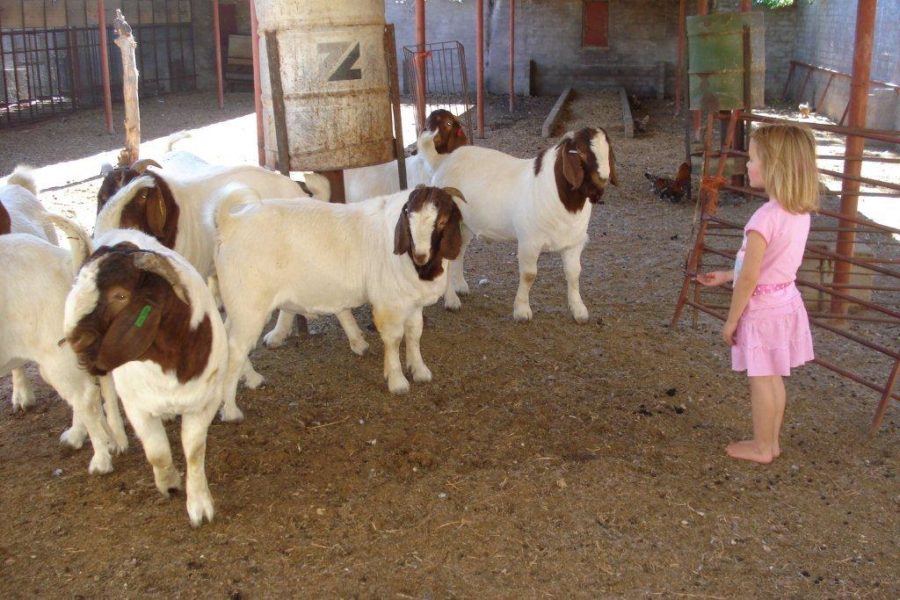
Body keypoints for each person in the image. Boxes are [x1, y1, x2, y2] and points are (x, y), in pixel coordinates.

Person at [696, 124, 819, 464]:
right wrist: (724, 275)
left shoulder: (763, 219)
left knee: (761, 381)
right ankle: (771, 441)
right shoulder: (797, 211)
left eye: (753, 160)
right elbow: (769, 266)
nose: (747, 166)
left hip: (761, 310)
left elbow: (750, 277)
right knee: (774, 377)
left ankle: (763, 447)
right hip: (785, 301)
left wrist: (731, 320)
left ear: (775, 166)